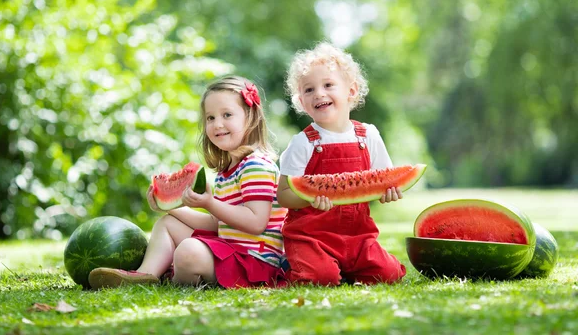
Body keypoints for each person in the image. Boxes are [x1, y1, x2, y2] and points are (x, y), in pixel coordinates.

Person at [89, 76, 288, 289]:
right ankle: (143, 275)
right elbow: (218, 224)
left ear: (250, 118)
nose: (217, 124)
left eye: (227, 115)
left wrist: (210, 203)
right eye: (210, 118)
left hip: (254, 263)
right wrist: (169, 208)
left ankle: (175, 277)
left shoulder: (256, 165)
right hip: (229, 250)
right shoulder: (226, 172)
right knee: (167, 223)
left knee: (188, 250)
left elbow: (256, 223)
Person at [277, 42, 406, 286]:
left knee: (388, 275)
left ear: (351, 91)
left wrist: (388, 193)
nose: (318, 94)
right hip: (311, 237)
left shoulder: (368, 136)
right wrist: (308, 197)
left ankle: (344, 267)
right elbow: (283, 195)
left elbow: (383, 181)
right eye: (309, 90)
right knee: (319, 278)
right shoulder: (302, 143)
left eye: (328, 85)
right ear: (302, 102)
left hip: (359, 236)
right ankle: (290, 264)